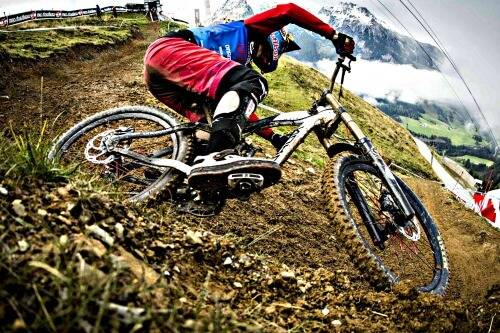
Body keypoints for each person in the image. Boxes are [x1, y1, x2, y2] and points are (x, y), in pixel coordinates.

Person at [143, 3, 355, 189]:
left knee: (210, 128)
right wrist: (333, 35)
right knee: (255, 82)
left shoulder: (233, 67)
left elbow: (241, 109)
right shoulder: (248, 30)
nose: (275, 58)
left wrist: (274, 137)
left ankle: (160, 172)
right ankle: (215, 157)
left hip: (165, 80)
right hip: (171, 49)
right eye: (279, 51)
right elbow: (289, 10)